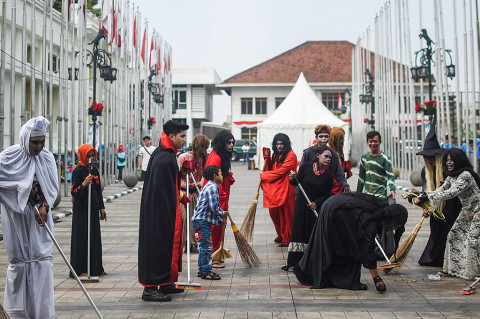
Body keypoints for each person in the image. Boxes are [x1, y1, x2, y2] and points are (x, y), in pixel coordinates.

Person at [0, 116, 59, 318]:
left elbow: (51, 189)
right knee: (19, 264)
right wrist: (23, 194)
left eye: (42, 141)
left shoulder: (47, 158)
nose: (39, 146)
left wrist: (44, 204)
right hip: (17, 219)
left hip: (40, 221)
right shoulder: (7, 158)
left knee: (42, 262)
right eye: (35, 142)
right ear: (25, 139)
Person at [294, 192, 408, 292]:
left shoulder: (380, 207)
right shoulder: (373, 218)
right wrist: (377, 279)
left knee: (346, 244)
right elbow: (368, 248)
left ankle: (339, 279)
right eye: (396, 226)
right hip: (335, 211)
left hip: (334, 205)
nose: (394, 229)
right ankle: (341, 280)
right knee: (352, 246)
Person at [138, 120, 190, 302]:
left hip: (165, 209)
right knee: (157, 246)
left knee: (166, 247)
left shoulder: (166, 154)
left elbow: (169, 186)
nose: (184, 140)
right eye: (182, 136)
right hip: (159, 213)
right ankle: (151, 288)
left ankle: (166, 282)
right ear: (171, 136)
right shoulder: (164, 158)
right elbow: (160, 190)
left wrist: (181, 178)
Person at [416, 148, 480, 280]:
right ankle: (451, 269)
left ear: (459, 160)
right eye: (447, 160)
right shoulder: (451, 176)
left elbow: (451, 193)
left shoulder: (465, 175)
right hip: (467, 212)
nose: (449, 162)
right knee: (452, 236)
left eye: (452, 160)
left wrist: (427, 197)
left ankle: (475, 272)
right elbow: (442, 189)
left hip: (478, 212)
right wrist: (425, 195)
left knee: (472, 242)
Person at [416, 125, 461, 267]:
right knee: (436, 231)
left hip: (452, 205)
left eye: (431, 157)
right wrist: (426, 206)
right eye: (426, 157)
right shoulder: (425, 171)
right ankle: (437, 258)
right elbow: (425, 191)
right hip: (436, 208)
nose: (429, 160)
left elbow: (453, 191)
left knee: (450, 232)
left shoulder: (448, 168)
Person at [283, 146, 333, 271]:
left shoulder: (328, 175)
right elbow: (298, 182)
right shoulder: (305, 166)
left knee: (310, 234)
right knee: (298, 232)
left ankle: (306, 264)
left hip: (314, 208)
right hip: (301, 205)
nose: (328, 159)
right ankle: (293, 263)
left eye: (330, 158)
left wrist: (317, 203)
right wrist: (292, 179)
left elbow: (327, 194)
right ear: (317, 155)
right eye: (326, 156)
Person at [70, 144, 107, 278]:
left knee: (94, 238)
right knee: (83, 239)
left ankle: (96, 267)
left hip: (93, 208)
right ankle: (80, 269)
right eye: (89, 156)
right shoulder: (78, 171)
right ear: (83, 156)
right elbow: (74, 192)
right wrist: (84, 184)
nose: (91, 158)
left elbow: (98, 190)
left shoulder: (94, 170)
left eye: (93, 155)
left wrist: (101, 207)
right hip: (81, 211)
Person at [203, 130, 235, 268]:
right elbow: (213, 179)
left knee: (218, 227)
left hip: (220, 195)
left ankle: (216, 254)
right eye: (228, 143)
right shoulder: (216, 157)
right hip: (217, 197)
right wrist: (221, 201)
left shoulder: (219, 155)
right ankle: (213, 258)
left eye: (232, 142)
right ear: (222, 143)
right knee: (216, 226)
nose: (231, 145)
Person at [261, 133, 297, 247]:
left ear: (286, 144)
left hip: (287, 187)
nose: (279, 146)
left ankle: (288, 237)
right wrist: (267, 158)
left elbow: (280, 171)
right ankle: (281, 234)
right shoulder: (277, 155)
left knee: (286, 213)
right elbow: (272, 168)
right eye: (277, 144)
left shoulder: (291, 156)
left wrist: (265, 176)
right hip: (276, 188)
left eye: (281, 144)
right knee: (274, 212)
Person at [192, 165, 226, 280]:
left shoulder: (209, 186)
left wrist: (219, 221)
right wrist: (223, 214)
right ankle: (206, 272)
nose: (222, 176)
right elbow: (214, 207)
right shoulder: (213, 187)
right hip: (202, 222)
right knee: (207, 247)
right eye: (220, 174)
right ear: (215, 176)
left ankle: (202, 269)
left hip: (199, 221)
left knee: (203, 246)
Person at [178, 134, 210, 253]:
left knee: (196, 220)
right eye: (203, 147)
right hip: (184, 193)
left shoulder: (203, 158)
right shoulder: (184, 157)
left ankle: (195, 242)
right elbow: (176, 175)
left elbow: (206, 174)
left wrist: (201, 182)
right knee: (185, 219)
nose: (204, 150)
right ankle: (186, 243)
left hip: (197, 193)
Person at [300, 125, 350, 192]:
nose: (323, 138)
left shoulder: (333, 154)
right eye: (321, 136)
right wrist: (297, 193)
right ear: (316, 137)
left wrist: (345, 186)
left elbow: (339, 174)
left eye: (326, 136)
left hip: (325, 190)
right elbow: (301, 174)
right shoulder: (308, 152)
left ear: (329, 137)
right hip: (309, 188)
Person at [357, 131, 396, 199]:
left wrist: (392, 190)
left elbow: (390, 176)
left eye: (375, 141)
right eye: (370, 141)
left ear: (380, 142)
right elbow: (361, 177)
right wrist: (358, 194)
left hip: (380, 197)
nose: (373, 144)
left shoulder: (385, 158)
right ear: (367, 142)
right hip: (367, 196)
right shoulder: (364, 157)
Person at [328, 127, 352, 194]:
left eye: (343, 138)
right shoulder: (329, 153)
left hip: (340, 184)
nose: (342, 141)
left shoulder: (338, 151)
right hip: (334, 187)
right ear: (335, 139)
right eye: (340, 138)